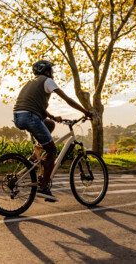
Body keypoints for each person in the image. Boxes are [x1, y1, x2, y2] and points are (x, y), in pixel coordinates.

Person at [13, 60, 92, 202]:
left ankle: (35, 156)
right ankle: (43, 188)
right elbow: (67, 100)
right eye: (51, 70)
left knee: (49, 124)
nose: (53, 73)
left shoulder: (31, 83)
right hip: (30, 116)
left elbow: (34, 104)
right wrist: (85, 111)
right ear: (47, 71)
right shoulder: (47, 81)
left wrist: (51, 116)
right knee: (52, 151)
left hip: (19, 116)